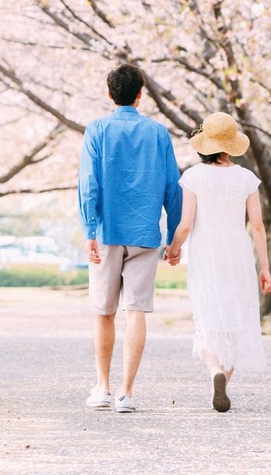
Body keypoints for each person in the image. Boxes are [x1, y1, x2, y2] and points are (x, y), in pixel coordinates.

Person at [78, 63, 181, 414]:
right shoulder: (159, 133)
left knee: (103, 311)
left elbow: (88, 182)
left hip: (107, 232)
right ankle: (126, 393)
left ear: (110, 94)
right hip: (146, 234)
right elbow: (172, 187)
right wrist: (174, 236)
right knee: (136, 311)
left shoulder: (97, 129)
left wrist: (89, 230)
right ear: (140, 95)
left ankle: (103, 387)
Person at [165, 112, 271, 413]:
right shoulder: (247, 178)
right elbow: (258, 226)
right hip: (238, 253)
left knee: (208, 314)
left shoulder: (193, 176)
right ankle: (225, 376)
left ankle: (214, 371)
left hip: (206, 253)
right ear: (232, 144)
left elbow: (186, 224)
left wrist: (174, 249)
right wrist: (265, 268)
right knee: (238, 316)